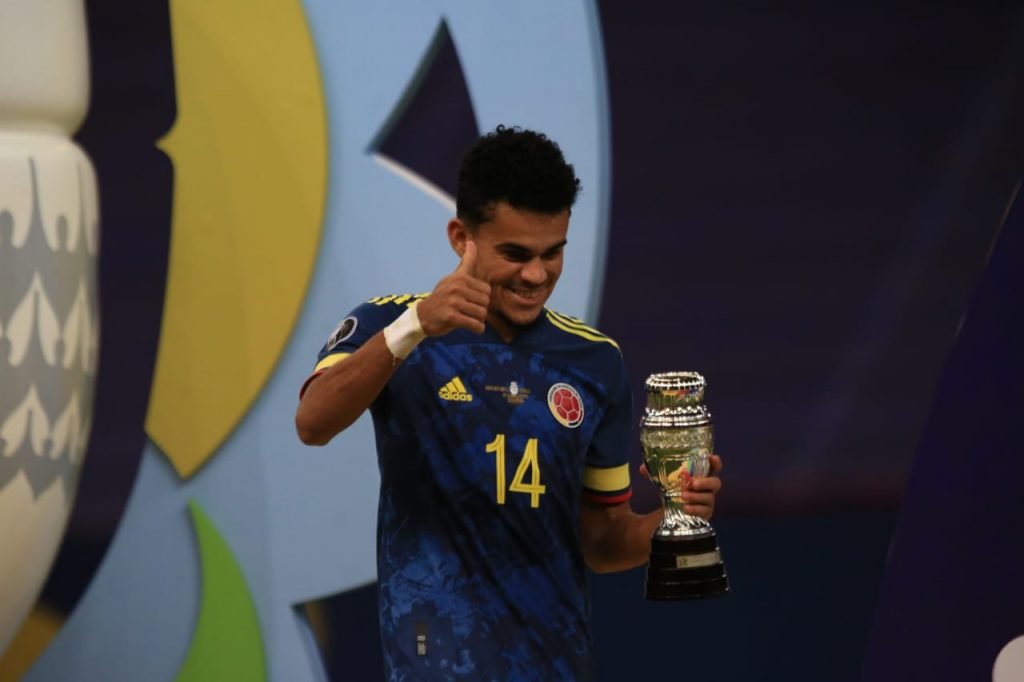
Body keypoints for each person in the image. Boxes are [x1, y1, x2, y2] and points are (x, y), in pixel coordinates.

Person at [295, 125, 722, 680]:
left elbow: (602, 542)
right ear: (460, 237)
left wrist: (673, 518)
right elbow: (313, 421)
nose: (537, 274)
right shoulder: (391, 325)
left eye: (553, 253)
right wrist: (414, 326)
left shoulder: (595, 363)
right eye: (515, 254)